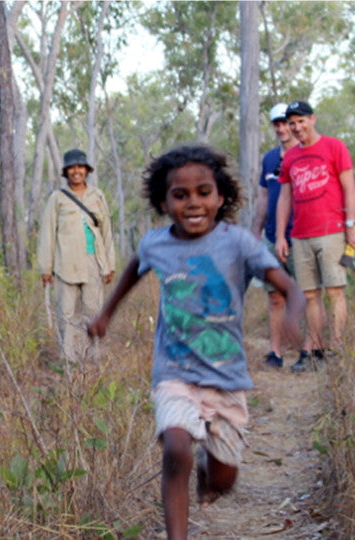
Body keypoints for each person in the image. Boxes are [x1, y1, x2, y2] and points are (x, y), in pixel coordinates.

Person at [88, 145, 303, 540]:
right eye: (180, 195)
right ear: (164, 201)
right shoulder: (157, 244)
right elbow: (133, 270)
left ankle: (210, 473)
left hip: (226, 379)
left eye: (204, 192)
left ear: (221, 197)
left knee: (223, 480)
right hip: (174, 372)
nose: (193, 203)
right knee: (175, 446)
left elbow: (287, 285)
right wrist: (106, 313)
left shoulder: (237, 242)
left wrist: (292, 313)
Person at [274, 100, 355, 373]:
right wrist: (280, 236)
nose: (297, 127)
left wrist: (351, 225)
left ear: (313, 119)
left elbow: (349, 187)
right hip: (300, 234)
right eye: (292, 123)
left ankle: (336, 346)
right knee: (310, 295)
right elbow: (285, 197)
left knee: (335, 290)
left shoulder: (334, 147)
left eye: (301, 121)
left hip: (331, 230)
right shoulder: (290, 158)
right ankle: (316, 350)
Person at [37, 148, 116, 362]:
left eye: (80, 167)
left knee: (93, 311)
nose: (76, 171)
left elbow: (106, 230)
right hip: (65, 264)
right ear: (66, 172)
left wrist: (109, 264)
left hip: (93, 261)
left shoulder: (97, 196)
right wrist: (46, 268)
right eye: (72, 168)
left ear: (86, 170)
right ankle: (68, 360)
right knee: (66, 314)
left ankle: (94, 357)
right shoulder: (57, 198)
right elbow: (48, 233)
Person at [251, 103, 302, 368]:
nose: (282, 129)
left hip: (301, 235)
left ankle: (308, 350)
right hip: (272, 237)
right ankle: (276, 352)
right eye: (277, 124)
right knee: (275, 297)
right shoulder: (270, 159)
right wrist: (256, 231)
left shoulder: (305, 154)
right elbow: (263, 197)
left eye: (285, 123)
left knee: (307, 294)